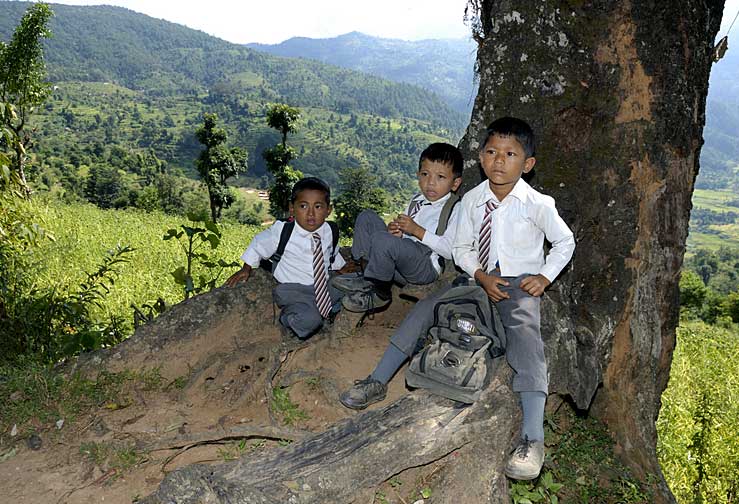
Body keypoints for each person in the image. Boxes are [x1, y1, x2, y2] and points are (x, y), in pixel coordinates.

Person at [338, 117, 575, 482]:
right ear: (480, 157)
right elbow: (462, 247)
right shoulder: (472, 201)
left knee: (526, 339)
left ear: (527, 164)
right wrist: (480, 275)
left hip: (517, 284)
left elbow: (565, 241)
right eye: (492, 152)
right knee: (424, 310)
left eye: (510, 154)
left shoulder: (537, 203)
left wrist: (543, 277)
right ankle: (376, 379)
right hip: (475, 277)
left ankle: (532, 438)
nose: (500, 161)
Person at [333, 142, 464, 313]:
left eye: (440, 177)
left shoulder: (455, 207)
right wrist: (395, 232)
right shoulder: (416, 199)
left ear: (455, 183)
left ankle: (378, 293)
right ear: (418, 175)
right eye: (425, 174)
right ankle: (365, 275)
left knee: (384, 240)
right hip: (398, 261)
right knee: (367, 218)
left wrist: (416, 230)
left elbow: (449, 250)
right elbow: (400, 237)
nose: (430, 183)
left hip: (425, 266)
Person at [225, 177, 347, 340]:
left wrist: (341, 267)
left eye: (318, 206)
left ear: (328, 210)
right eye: (303, 206)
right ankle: (288, 319)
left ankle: (328, 308)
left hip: (323, 285)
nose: (311, 213)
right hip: (294, 290)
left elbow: (330, 252)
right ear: (292, 209)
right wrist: (246, 268)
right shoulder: (283, 231)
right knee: (311, 320)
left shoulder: (329, 230)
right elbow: (258, 244)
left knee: (354, 286)